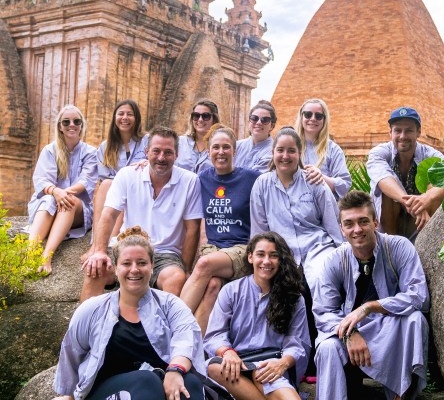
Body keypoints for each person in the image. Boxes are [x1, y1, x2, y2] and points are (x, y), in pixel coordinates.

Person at [48, 227, 207, 400]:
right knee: (143, 381)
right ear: (115, 267)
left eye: (142, 263)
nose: (134, 269)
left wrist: (175, 370)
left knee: (190, 381)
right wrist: (70, 394)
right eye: (127, 263)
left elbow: (187, 339)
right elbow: (71, 350)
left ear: (152, 266)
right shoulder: (93, 309)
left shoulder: (170, 304)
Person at [204, 232, 331, 400]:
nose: (266, 261)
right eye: (261, 254)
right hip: (238, 362)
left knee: (262, 372)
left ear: (280, 260)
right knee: (212, 368)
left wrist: (283, 363)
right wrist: (227, 352)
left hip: (275, 361)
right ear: (250, 257)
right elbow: (214, 335)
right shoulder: (231, 291)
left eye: (274, 256)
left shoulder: (293, 297)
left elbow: (299, 343)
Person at [313, 190, 430, 400]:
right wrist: (350, 333)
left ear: (375, 222)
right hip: (353, 336)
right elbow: (323, 312)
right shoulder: (335, 259)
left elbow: (419, 296)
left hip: (390, 330)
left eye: (363, 221)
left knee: (415, 321)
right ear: (342, 229)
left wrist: (370, 307)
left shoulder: (398, 247)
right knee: (326, 347)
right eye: (349, 224)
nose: (357, 229)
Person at [80, 127, 203, 302]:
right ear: (147, 152)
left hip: (165, 254)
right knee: (95, 268)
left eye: (168, 152)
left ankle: (161, 328)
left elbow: (192, 229)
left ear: (176, 155)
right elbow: (108, 215)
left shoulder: (190, 181)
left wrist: (186, 268)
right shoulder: (128, 175)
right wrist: (99, 251)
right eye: (156, 151)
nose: (161, 157)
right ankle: (83, 327)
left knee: (176, 278)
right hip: (126, 247)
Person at [179, 126, 260, 331]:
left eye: (226, 147)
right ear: (208, 152)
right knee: (213, 285)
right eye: (216, 147)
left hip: (242, 249)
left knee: (205, 264)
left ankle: (175, 326)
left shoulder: (252, 178)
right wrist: (143, 165)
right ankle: (192, 346)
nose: (221, 152)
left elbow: (280, 178)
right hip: (214, 250)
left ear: (235, 151)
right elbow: (173, 176)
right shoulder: (202, 179)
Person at [249, 127, 343, 292]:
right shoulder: (262, 184)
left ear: (299, 153)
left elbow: (332, 219)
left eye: (291, 151)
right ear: (273, 152)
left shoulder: (313, 180)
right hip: (282, 251)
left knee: (323, 282)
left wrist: (344, 253)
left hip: (317, 247)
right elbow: (260, 230)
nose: (285, 156)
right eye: (280, 150)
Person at [28, 105, 99, 276]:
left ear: (82, 125)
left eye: (76, 121)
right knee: (48, 199)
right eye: (66, 122)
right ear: (60, 126)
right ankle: (29, 255)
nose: (71, 125)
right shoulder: (50, 150)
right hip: (49, 203)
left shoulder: (91, 152)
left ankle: (47, 255)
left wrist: (63, 193)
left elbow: (86, 182)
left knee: (69, 201)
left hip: (78, 209)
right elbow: (41, 180)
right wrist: (55, 192)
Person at [366, 106, 444, 240]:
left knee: (435, 188)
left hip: (421, 221)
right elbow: (383, 179)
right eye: (398, 131)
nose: (403, 136)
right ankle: (391, 246)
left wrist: (426, 198)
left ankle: (428, 243)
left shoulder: (431, 155)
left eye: (409, 131)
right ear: (390, 133)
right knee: (387, 191)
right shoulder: (379, 153)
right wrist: (412, 204)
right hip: (391, 220)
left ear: (418, 132)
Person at [90, 99, 148, 251]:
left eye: (130, 114)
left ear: (136, 118)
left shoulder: (147, 141)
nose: (125, 118)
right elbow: (104, 178)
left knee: (121, 186)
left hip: (140, 191)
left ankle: (109, 241)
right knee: (109, 185)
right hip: (115, 194)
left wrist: (146, 163)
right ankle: (97, 242)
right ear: (115, 117)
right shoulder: (105, 147)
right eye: (121, 114)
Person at [294, 98, 352, 198]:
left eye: (318, 116)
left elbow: (345, 184)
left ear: (324, 119)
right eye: (308, 114)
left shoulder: (333, 149)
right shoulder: (290, 146)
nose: (313, 119)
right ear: (301, 116)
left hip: (324, 209)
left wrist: (321, 178)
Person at [234, 100, 276, 173]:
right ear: (249, 122)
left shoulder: (274, 151)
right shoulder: (236, 145)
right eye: (254, 118)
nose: (259, 122)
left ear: (272, 126)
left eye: (265, 120)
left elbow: (253, 177)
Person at [178, 99, 220, 173]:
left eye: (205, 116)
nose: (200, 120)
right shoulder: (180, 142)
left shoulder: (220, 146)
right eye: (196, 115)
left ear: (214, 119)